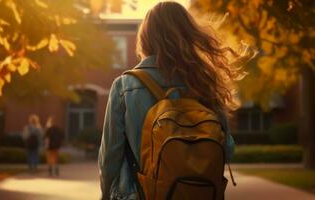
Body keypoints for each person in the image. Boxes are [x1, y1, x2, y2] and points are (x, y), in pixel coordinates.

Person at [98, 2, 249, 199]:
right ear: (188, 35)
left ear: (145, 38)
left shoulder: (125, 86)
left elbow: (110, 157)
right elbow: (226, 149)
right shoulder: (204, 83)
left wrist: (105, 194)